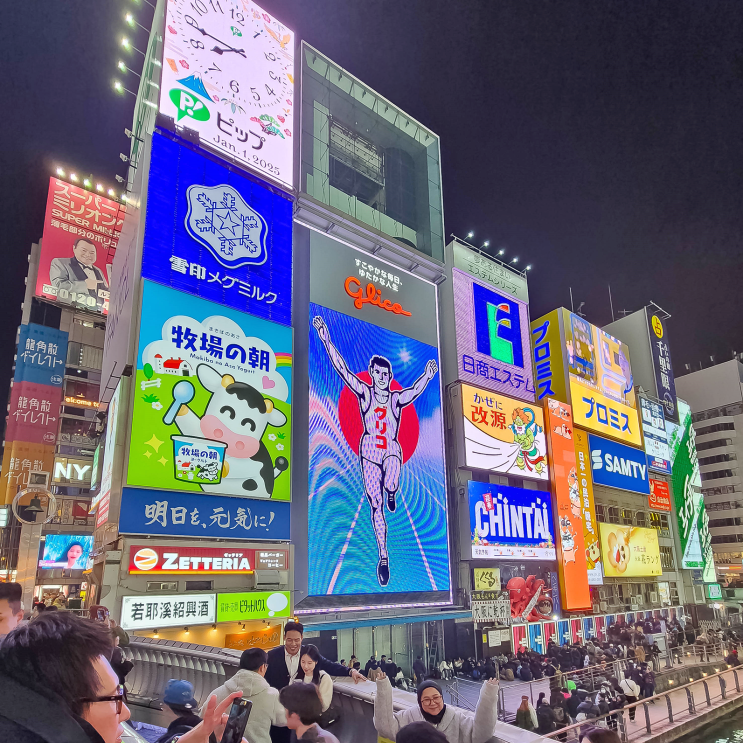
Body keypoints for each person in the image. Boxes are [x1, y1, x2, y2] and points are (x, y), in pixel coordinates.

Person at [313, 316, 438, 585]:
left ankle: (392, 489)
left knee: (391, 479)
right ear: (372, 373)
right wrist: (325, 339)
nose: (381, 377)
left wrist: (428, 375)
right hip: (369, 450)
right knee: (376, 504)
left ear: (390, 377)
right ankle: (383, 556)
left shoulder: (395, 399)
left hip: (390, 447)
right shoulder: (365, 393)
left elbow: (414, 391)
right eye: (378, 373)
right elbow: (343, 370)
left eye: (385, 374)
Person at [266, 622, 359, 743]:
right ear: (284, 637)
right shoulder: (272, 655)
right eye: (289, 640)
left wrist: (350, 671)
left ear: (302, 638)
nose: (293, 644)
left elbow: (328, 665)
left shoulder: (308, 653)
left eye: (297, 640)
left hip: (301, 714)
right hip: (279, 711)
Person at [374, 673, 499, 742]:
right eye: (426, 700)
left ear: (442, 697)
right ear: (419, 702)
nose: (432, 703)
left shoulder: (457, 719)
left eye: (436, 698)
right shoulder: (409, 717)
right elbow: (385, 727)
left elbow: (481, 734)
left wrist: (488, 695)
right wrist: (383, 688)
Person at [204, 647, 286, 743]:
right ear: (262, 667)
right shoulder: (272, 694)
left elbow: (203, 717)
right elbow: (284, 720)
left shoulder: (218, 692)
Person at [49, 238, 109, 306]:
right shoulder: (60, 263)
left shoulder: (98, 271)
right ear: (74, 248)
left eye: (92, 253)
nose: (88, 255)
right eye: (84, 250)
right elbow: (58, 285)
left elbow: (104, 291)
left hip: (96, 311)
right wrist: (85, 285)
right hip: (68, 308)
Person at [292, 645, 333, 712]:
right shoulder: (296, 675)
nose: (305, 666)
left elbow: (324, 706)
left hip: (314, 716)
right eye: (303, 662)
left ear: (316, 662)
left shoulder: (323, 678)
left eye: (309, 663)